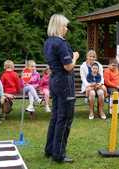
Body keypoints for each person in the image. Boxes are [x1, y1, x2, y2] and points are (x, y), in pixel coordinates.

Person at [44, 14, 79, 163]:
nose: (66, 29)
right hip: (65, 82)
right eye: (64, 26)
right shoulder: (61, 43)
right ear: (58, 26)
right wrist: (76, 56)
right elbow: (68, 66)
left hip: (54, 81)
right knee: (64, 118)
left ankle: (50, 149)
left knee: (55, 117)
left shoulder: (48, 42)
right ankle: (59, 154)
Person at [80, 50, 106, 120]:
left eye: (93, 57)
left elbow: (101, 77)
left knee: (101, 92)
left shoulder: (99, 65)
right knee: (92, 93)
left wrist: (100, 84)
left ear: (95, 58)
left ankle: (101, 111)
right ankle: (91, 112)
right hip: (88, 86)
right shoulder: (83, 66)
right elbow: (83, 78)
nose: (91, 58)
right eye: (90, 56)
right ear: (87, 57)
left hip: (97, 85)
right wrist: (89, 85)